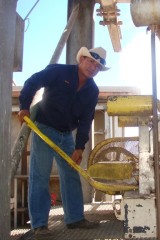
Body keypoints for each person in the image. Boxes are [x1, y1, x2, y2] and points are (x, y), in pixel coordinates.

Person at [18, 46, 109, 239]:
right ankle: (40, 225)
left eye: (98, 66)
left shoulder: (92, 91)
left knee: (70, 175)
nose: (93, 67)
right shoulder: (59, 71)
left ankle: (75, 218)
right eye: (91, 61)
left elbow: (86, 120)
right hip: (43, 127)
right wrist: (24, 107)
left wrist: (79, 147)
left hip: (66, 134)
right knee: (40, 176)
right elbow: (32, 81)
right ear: (81, 59)